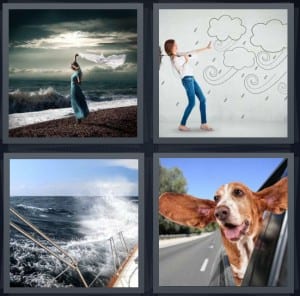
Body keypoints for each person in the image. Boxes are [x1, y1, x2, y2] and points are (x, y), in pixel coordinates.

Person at [164, 39, 213, 132]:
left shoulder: (178, 54)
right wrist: (186, 61)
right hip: (187, 80)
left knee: (202, 99)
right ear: (171, 47)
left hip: (192, 79)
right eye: (175, 45)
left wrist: (206, 48)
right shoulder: (174, 59)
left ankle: (204, 124)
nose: (177, 46)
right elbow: (181, 71)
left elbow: (191, 52)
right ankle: (182, 125)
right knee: (192, 103)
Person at [70, 54, 89, 124]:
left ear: (74, 66)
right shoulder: (76, 71)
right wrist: (75, 57)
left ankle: (79, 119)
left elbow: (79, 80)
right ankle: (78, 118)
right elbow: (75, 63)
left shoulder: (78, 72)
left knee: (76, 103)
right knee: (74, 103)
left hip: (75, 89)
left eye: (72, 66)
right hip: (73, 89)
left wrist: (79, 81)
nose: (71, 67)